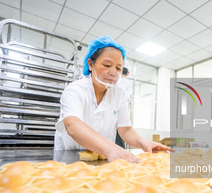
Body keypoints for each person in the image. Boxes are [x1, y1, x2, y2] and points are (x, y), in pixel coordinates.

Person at [54, 35, 171, 163]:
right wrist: (112, 149)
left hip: (104, 158)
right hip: (70, 157)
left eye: (118, 68)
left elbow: (125, 129)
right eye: (107, 65)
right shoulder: (75, 90)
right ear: (90, 64)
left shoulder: (119, 94)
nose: (114, 72)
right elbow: (73, 125)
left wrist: (144, 143)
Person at [115, 62, 132, 148]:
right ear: (128, 73)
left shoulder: (114, 80)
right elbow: (125, 99)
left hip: (114, 113)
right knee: (119, 141)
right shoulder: (127, 83)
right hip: (119, 114)